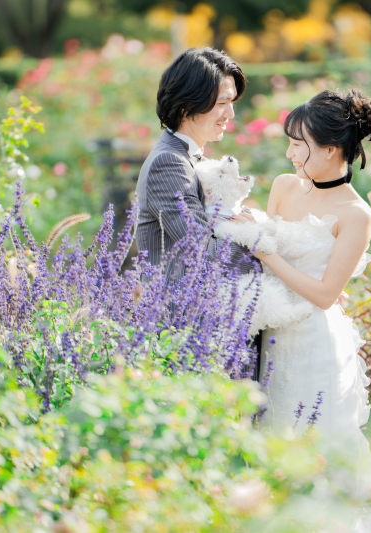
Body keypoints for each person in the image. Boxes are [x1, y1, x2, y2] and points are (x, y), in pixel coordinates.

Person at [249, 88, 371, 531]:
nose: (290, 154)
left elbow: (327, 294)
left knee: (319, 446)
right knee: (272, 446)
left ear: (330, 150)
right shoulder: (284, 186)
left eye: (299, 144)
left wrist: (266, 253)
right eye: (290, 142)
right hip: (273, 334)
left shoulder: (356, 213)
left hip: (314, 344)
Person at [135, 47, 262, 380]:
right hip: (185, 330)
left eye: (232, 103)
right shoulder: (169, 163)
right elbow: (203, 251)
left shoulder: (191, 160)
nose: (230, 115)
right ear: (186, 105)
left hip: (208, 324)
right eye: (222, 103)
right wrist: (270, 254)